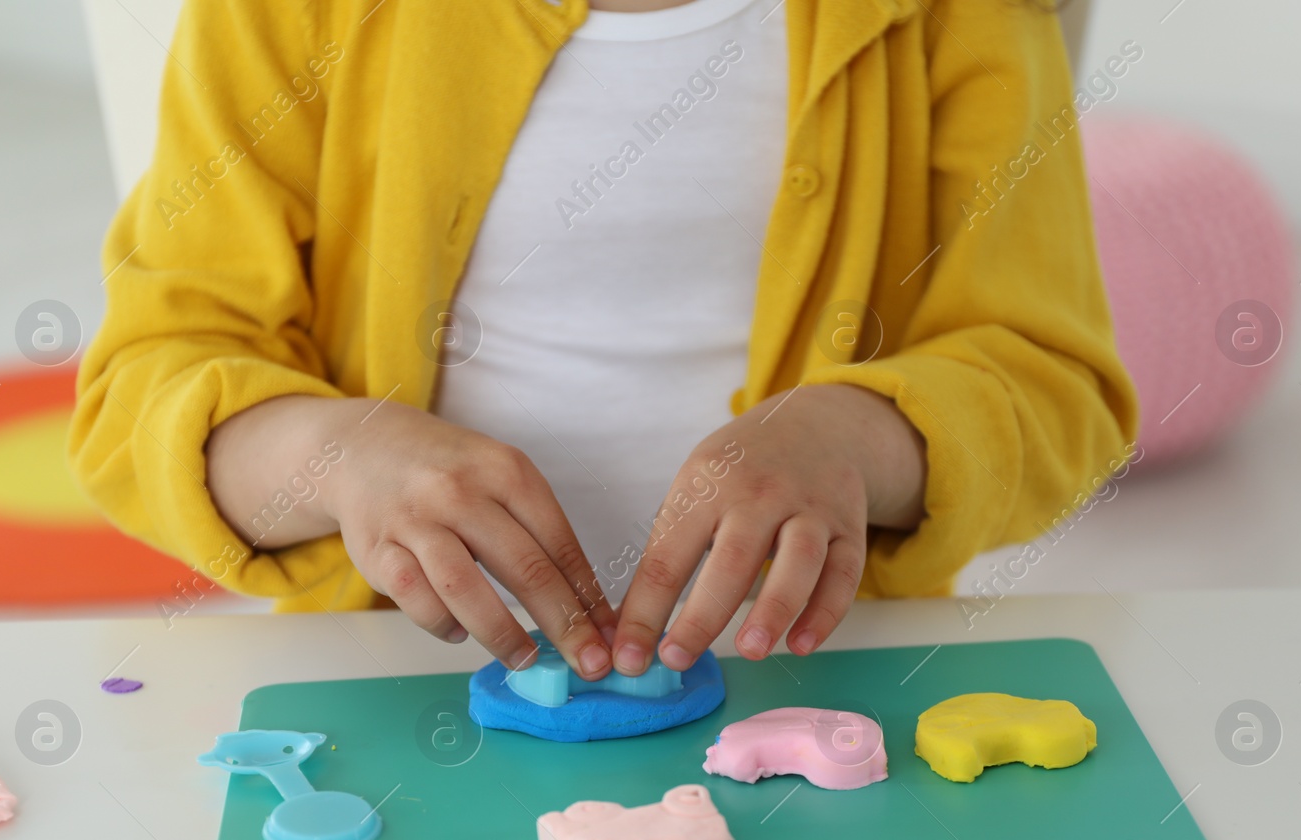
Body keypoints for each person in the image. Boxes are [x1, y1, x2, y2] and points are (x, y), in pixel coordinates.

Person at [69, 0, 1136, 685]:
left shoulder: (961, 15)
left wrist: (853, 437)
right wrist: (342, 458)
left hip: (828, 682)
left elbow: (1055, 385)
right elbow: (143, 389)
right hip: (393, 689)